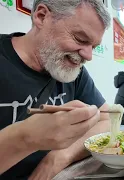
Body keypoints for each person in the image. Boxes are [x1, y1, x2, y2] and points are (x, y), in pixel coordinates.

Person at [0, 0, 111, 179]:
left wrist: (59, 157)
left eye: (94, 47)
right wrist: (26, 138)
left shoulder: (75, 73)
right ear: (41, 16)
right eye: (80, 39)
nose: (88, 56)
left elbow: (106, 119)